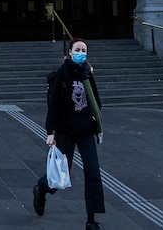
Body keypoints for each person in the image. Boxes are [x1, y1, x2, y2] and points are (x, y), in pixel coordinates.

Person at [32, 37, 105, 230]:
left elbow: (96, 100)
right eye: (78, 50)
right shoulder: (62, 75)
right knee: (60, 174)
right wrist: (50, 131)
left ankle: (91, 220)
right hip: (65, 130)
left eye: (84, 50)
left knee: (93, 173)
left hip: (86, 130)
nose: (82, 53)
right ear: (70, 52)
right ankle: (41, 188)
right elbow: (54, 104)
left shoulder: (87, 74)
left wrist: (97, 125)